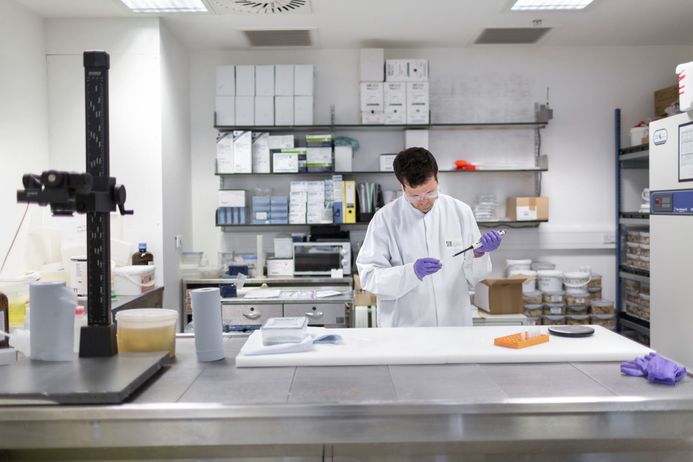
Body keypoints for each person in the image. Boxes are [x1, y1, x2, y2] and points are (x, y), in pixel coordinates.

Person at [356, 147, 503, 327]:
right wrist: (411, 272)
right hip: (406, 332)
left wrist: (479, 254)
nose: (424, 200)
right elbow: (370, 277)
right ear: (401, 183)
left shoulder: (460, 212)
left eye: (430, 192)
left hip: (453, 328)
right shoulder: (385, 220)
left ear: (436, 176)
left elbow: (474, 278)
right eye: (415, 195)